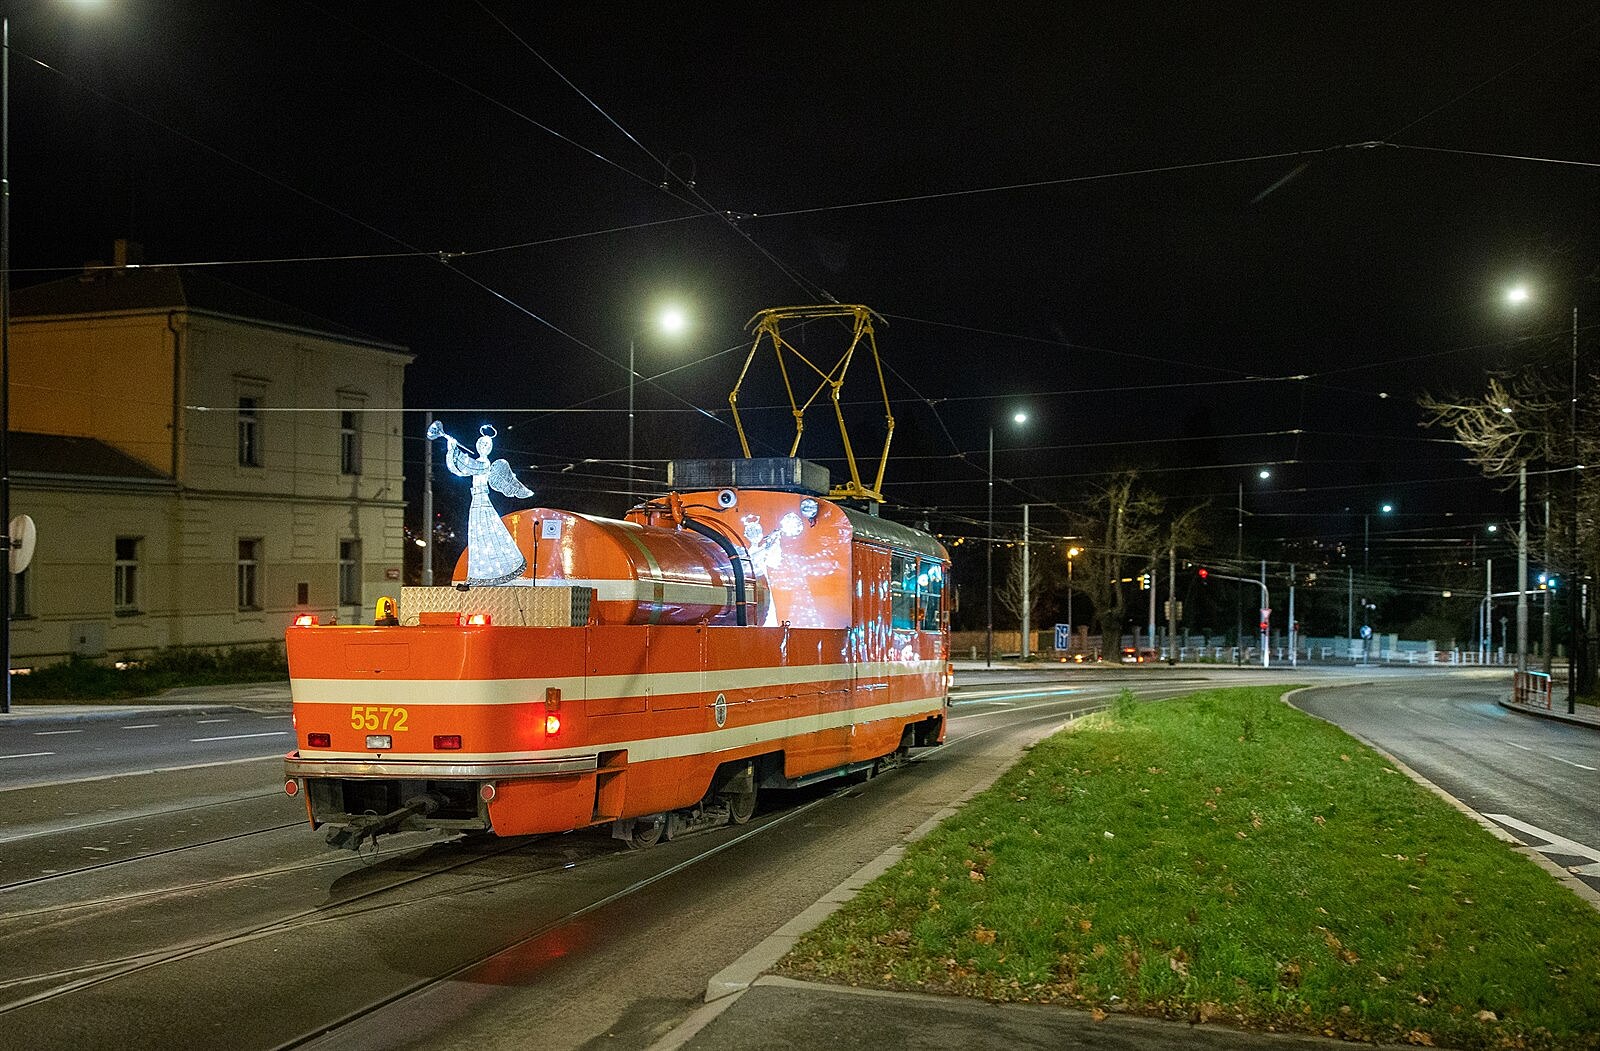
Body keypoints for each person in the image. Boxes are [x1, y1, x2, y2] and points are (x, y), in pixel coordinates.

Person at [428, 421, 533, 585]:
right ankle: (477, 575)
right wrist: (451, 449)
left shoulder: (484, 463)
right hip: (476, 500)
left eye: (486, 445)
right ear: (477, 445)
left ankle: (500, 571)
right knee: (477, 535)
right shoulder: (478, 461)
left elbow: (469, 465)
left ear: (489, 448)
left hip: (482, 501)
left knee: (487, 532)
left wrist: (454, 449)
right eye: (482, 443)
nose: (483, 446)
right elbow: (460, 468)